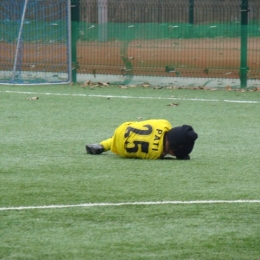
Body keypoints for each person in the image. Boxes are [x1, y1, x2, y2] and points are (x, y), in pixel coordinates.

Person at [86, 119, 198, 160]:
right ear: (173, 150)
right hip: (122, 151)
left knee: (138, 128)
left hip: (122, 129)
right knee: (132, 140)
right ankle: (105, 145)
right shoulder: (156, 154)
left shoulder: (164, 123)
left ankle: (103, 145)